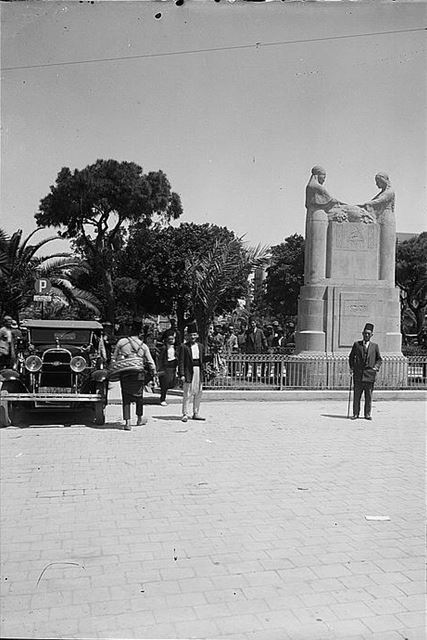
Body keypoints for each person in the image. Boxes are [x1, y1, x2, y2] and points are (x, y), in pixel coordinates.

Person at [112, 319, 156, 430]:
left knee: (125, 397)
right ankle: (139, 418)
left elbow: (114, 357)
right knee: (139, 397)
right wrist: (153, 373)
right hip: (139, 374)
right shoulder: (144, 346)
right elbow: (151, 362)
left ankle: (127, 423)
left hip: (125, 373)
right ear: (139, 333)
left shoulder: (121, 342)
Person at [348, 323, 382, 421]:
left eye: (368, 334)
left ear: (371, 335)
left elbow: (379, 359)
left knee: (368, 396)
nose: (366, 335)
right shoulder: (356, 345)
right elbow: (351, 357)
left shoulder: (375, 346)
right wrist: (351, 368)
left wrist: (376, 367)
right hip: (358, 375)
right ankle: (355, 414)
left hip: (370, 375)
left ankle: (367, 414)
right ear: (362, 334)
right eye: (365, 333)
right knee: (357, 396)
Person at [178, 322, 205, 423]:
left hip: (198, 370)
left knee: (198, 392)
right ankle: (185, 413)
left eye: (194, 335)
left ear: (197, 335)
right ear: (187, 336)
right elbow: (181, 361)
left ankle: (196, 412)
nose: (192, 337)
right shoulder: (184, 347)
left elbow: (202, 359)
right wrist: (182, 374)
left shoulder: (200, 346)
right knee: (187, 393)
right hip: (189, 371)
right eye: (190, 335)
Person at [157, 330, 178, 406]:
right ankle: (162, 399)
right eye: (169, 339)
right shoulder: (163, 348)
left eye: (172, 339)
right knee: (164, 384)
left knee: (171, 383)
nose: (171, 341)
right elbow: (160, 359)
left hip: (173, 367)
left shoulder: (176, 348)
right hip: (165, 367)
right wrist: (160, 369)